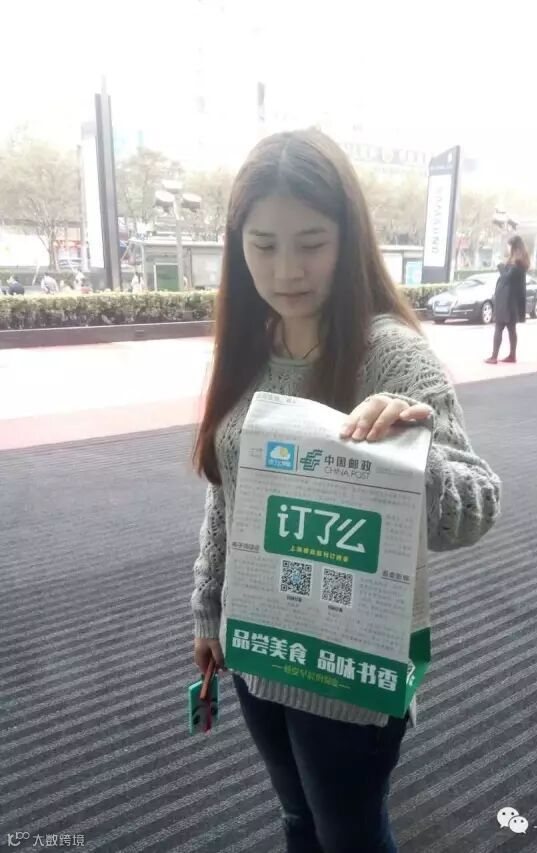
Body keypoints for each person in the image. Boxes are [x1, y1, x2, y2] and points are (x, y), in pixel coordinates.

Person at [190, 129, 501, 853]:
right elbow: (228, 486)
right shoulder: (252, 342)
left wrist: (412, 455)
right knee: (298, 817)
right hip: (261, 642)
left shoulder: (387, 352)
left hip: (347, 664)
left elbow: (478, 504)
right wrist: (209, 608)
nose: (287, 269)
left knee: (351, 832)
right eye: (263, 244)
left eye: (312, 242)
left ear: (349, 239)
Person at [485, 234, 529, 364]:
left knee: (499, 327)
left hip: (506, 300)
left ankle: (494, 357)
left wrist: (499, 265)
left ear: (514, 247)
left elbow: (506, 277)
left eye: (509, 246)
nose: (507, 248)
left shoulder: (516, 263)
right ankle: (512, 355)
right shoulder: (520, 261)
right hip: (512, 300)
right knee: (511, 328)